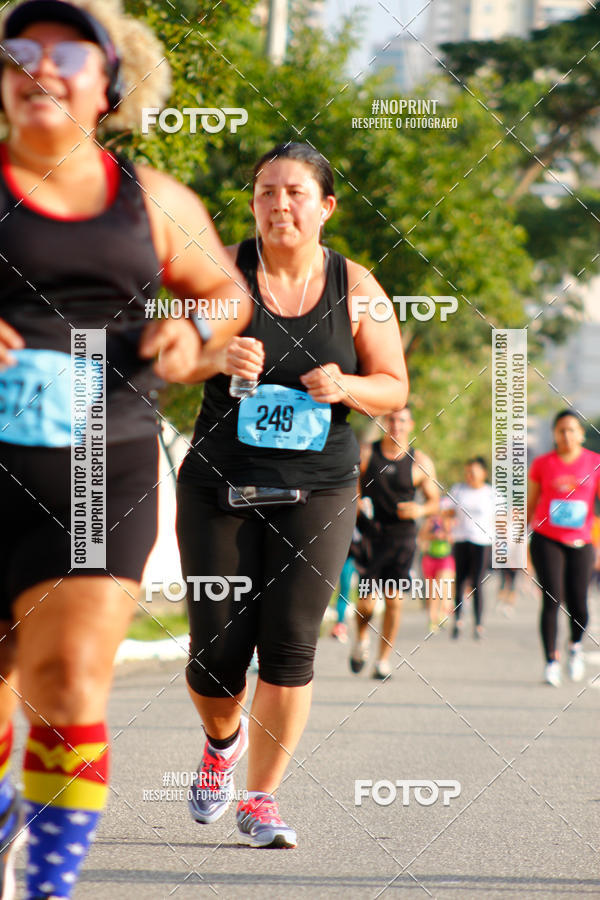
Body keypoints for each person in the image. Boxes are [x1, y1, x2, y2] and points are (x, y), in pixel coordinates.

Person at [0, 1, 250, 897]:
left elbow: (224, 290)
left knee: (67, 681)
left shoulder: (151, 200)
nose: (42, 68)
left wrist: (197, 328)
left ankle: (46, 888)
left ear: (110, 86)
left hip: (102, 466)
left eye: (70, 55)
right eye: (21, 52)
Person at [176, 142, 408, 848]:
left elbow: (393, 385)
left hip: (320, 485)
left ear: (326, 206)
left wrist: (348, 386)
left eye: (296, 192)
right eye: (266, 191)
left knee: (290, 646)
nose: (280, 204)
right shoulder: (222, 276)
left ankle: (263, 798)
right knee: (215, 655)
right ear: (252, 203)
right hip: (221, 481)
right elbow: (170, 358)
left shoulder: (356, 284)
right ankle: (222, 745)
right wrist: (217, 355)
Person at [349, 407, 439, 679]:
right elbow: (350, 484)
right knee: (365, 604)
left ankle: (382, 660)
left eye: (401, 420)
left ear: (410, 424)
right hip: (370, 535)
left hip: (402, 538)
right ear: (385, 423)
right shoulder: (367, 453)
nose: (396, 425)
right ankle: (362, 640)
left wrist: (419, 510)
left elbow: (434, 501)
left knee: (394, 601)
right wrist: (357, 504)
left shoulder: (419, 461)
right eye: (391, 420)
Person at [528, 409, 600, 686]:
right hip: (547, 538)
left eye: (571, 430)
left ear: (581, 435)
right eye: (561, 430)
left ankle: (575, 647)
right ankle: (551, 661)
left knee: (579, 604)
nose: (566, 435)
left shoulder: (594, 463)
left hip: (581, 542)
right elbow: (532, 503)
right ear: (554, 434)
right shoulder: (543, 464)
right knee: (552, 598)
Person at [447, 457, 494, 640]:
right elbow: (448, 510)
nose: (470, 475)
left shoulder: (491, 493)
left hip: (482, 541)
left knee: (477, 582)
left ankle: (478, 623)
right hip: (461, 539)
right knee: (459, 580)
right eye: (467, 472)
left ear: (484, 473)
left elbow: (501, 520)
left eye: (474, 472)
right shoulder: (458, 490)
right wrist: (447, 521)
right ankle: (458, 619)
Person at [419, 511, 455, 632]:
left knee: (443, 587)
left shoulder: (449, 522)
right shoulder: (429, 522)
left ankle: (442, 613)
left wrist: (445, 533)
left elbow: (453, 538)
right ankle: (432, 618)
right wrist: (433, 536)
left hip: (445, 558)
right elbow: (421, 537)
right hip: (430, 558)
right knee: (432, 591)